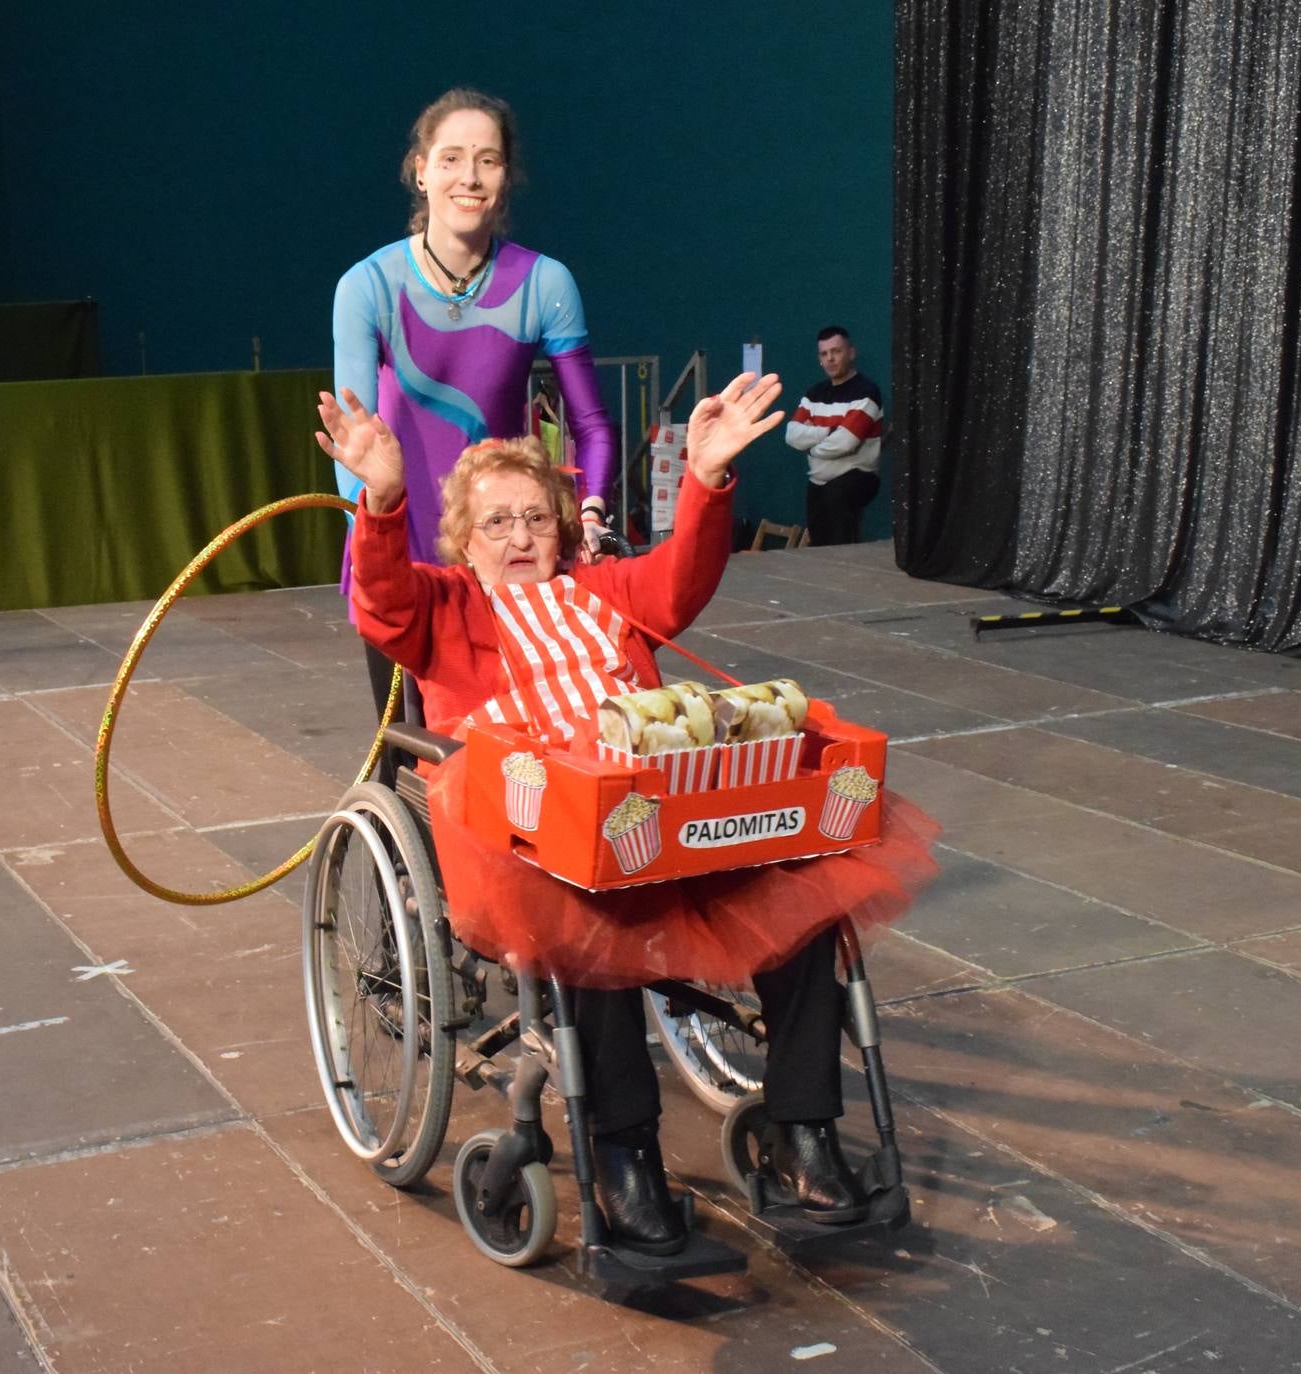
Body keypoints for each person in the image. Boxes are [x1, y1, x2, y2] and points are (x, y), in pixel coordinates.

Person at [318, 373, 938, 1257]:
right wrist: (381, 500)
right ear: (464, 539)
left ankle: (804, 1132)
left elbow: (682, 579)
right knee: (584, 923)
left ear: (562, 528)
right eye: (496, 522)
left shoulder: (602, 591)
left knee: (800, 895)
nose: (520, 536)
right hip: (526, 834)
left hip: (653, 817)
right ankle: (624, 1160)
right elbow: (376, 605)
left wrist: (707, 478)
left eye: (535, 517)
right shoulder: (440, 605)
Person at [333, 88, 617, 710]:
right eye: (452, 158)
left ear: (507, 176)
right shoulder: (368, 286)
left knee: (511, 734)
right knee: (401, 748)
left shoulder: (544, 282)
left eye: (488, 160)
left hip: (502, 551)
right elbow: (355, 453)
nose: (469, 176)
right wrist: (377, 544)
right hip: (399, 550)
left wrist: (591, 515)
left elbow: (593, 425)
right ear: (421, 170)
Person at [783, 325, 884, 546]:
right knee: (819, 547)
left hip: (857, 478)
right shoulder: (814, 394)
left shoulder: (866, 392)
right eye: (824, 353)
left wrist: (811, 447)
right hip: (818, 481)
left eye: (836, 351)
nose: (830, 358)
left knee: (840, 547)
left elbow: (846, 442)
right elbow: (791, 434)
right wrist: (829, 431)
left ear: (851, 352)